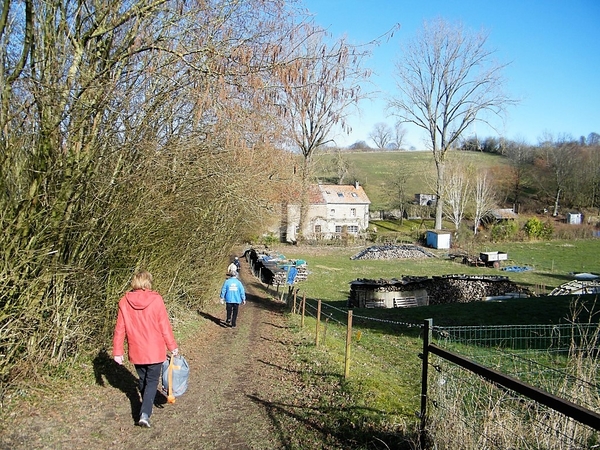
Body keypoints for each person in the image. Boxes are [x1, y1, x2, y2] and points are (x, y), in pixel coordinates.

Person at [112, 270, 178, 428]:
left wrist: (117, 351)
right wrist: (172, 346)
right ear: (148, 282)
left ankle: (145, 406)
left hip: (136, 349)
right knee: (151, 382)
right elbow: (164, 326)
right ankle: (145, 413)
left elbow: (119, 329)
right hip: (155, 349)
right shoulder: (156, 300)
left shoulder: (124, 301)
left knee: (143, 380)